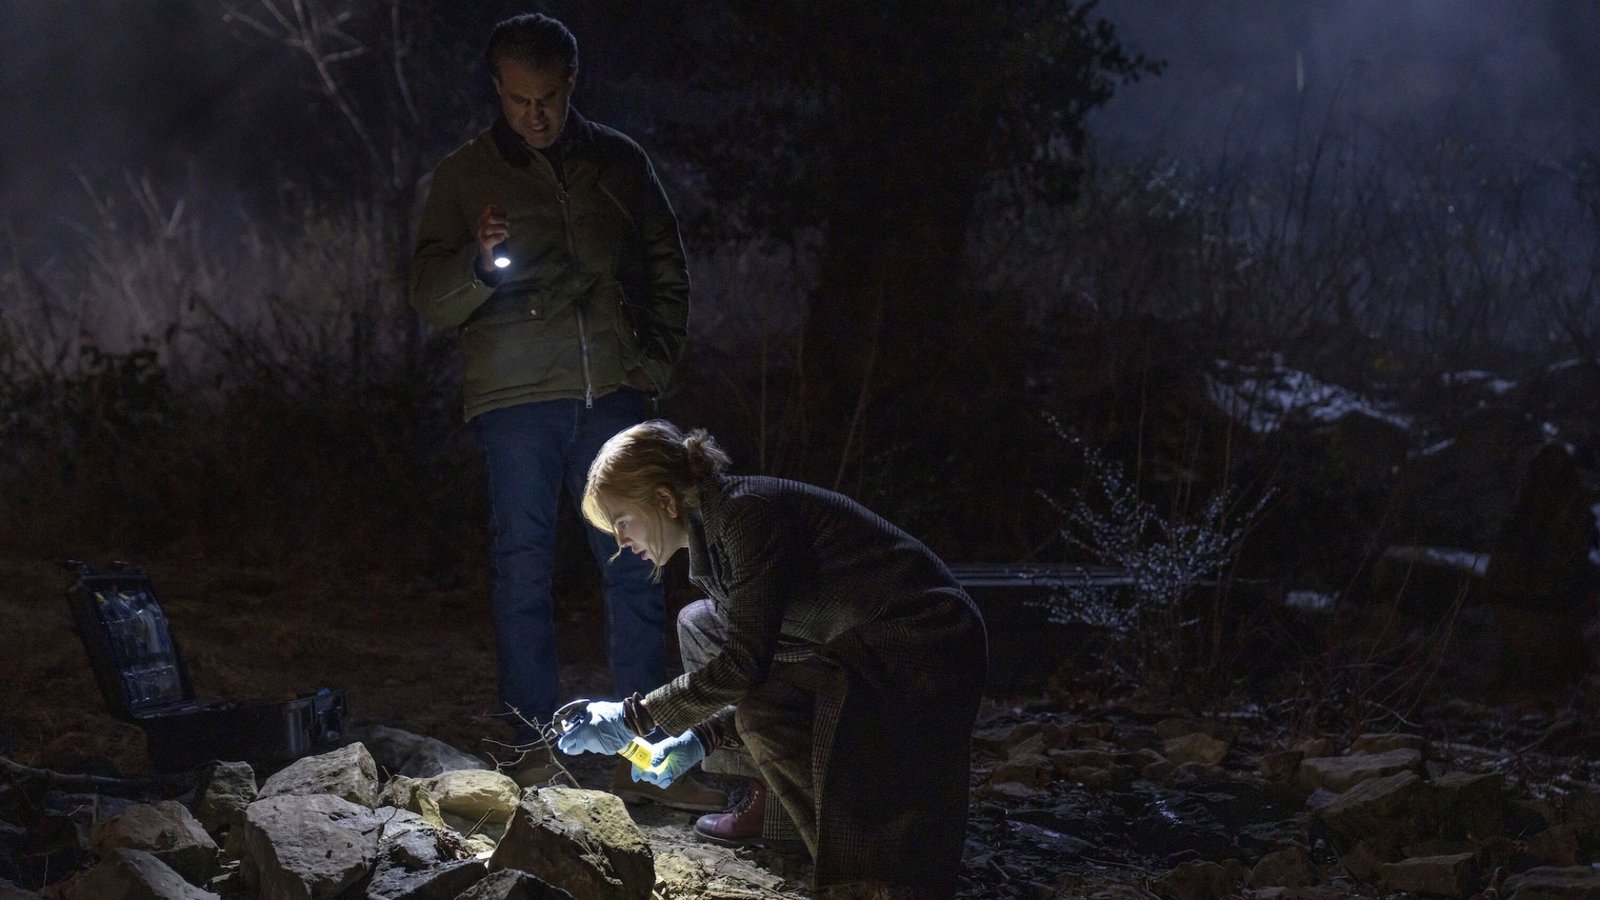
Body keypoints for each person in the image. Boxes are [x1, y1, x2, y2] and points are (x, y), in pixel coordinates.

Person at [408, 13, 716, 811]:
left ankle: (650, 758)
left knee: (636, 569)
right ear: (497, 91)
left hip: (613, 394)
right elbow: (429, 299)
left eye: (546, 97)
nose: (534, 115)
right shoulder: (466, 175)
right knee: (522, 570)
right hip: (517, 401)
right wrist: (479, 263)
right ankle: (527, 752)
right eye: (517, 100)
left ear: (571, 83)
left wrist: (652, 362)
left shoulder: (616, 162)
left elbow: (664, 266)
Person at [557, 421, 988, 898]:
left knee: (759, 699)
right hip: (854, 645)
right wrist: (695, 741)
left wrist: (632, 718)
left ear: (664, 500)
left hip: (921, 639)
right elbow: (768, 663)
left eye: (621, 521)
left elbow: (746, 664)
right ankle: (806, 830)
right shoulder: (716, 534)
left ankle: (877, 872)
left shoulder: (746, 516)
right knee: (705, 626)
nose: (621, 541)